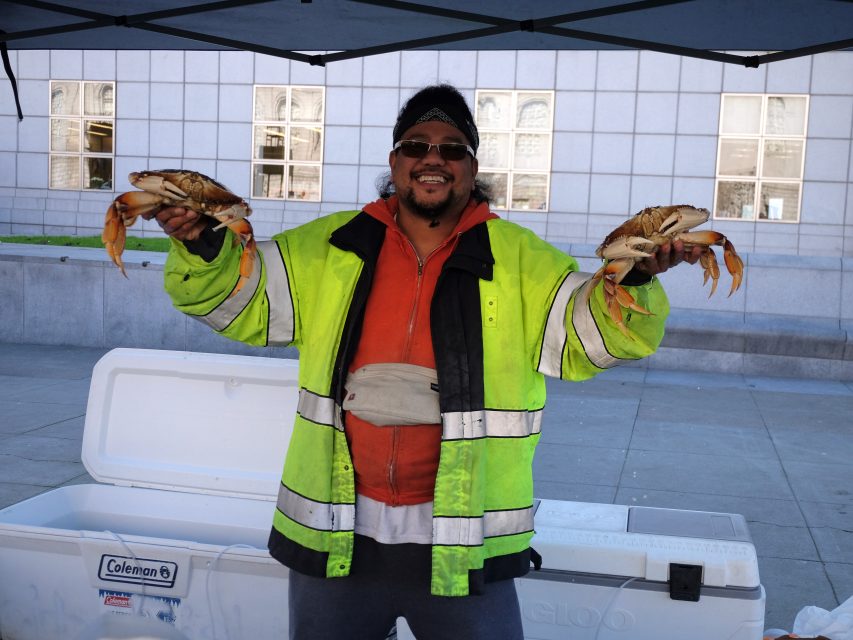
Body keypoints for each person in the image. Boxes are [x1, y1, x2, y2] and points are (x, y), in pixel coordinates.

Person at [148, 84, 699, 639]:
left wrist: (637, 278)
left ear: (472, 167)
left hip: (464, 543)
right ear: (394, 161)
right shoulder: (330, 245)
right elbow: (236, 302)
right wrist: (203, 247)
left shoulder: (523, 260)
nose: (433, 158)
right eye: (416, 144)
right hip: (339, 533)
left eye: (452, 148)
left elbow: (597, 338)